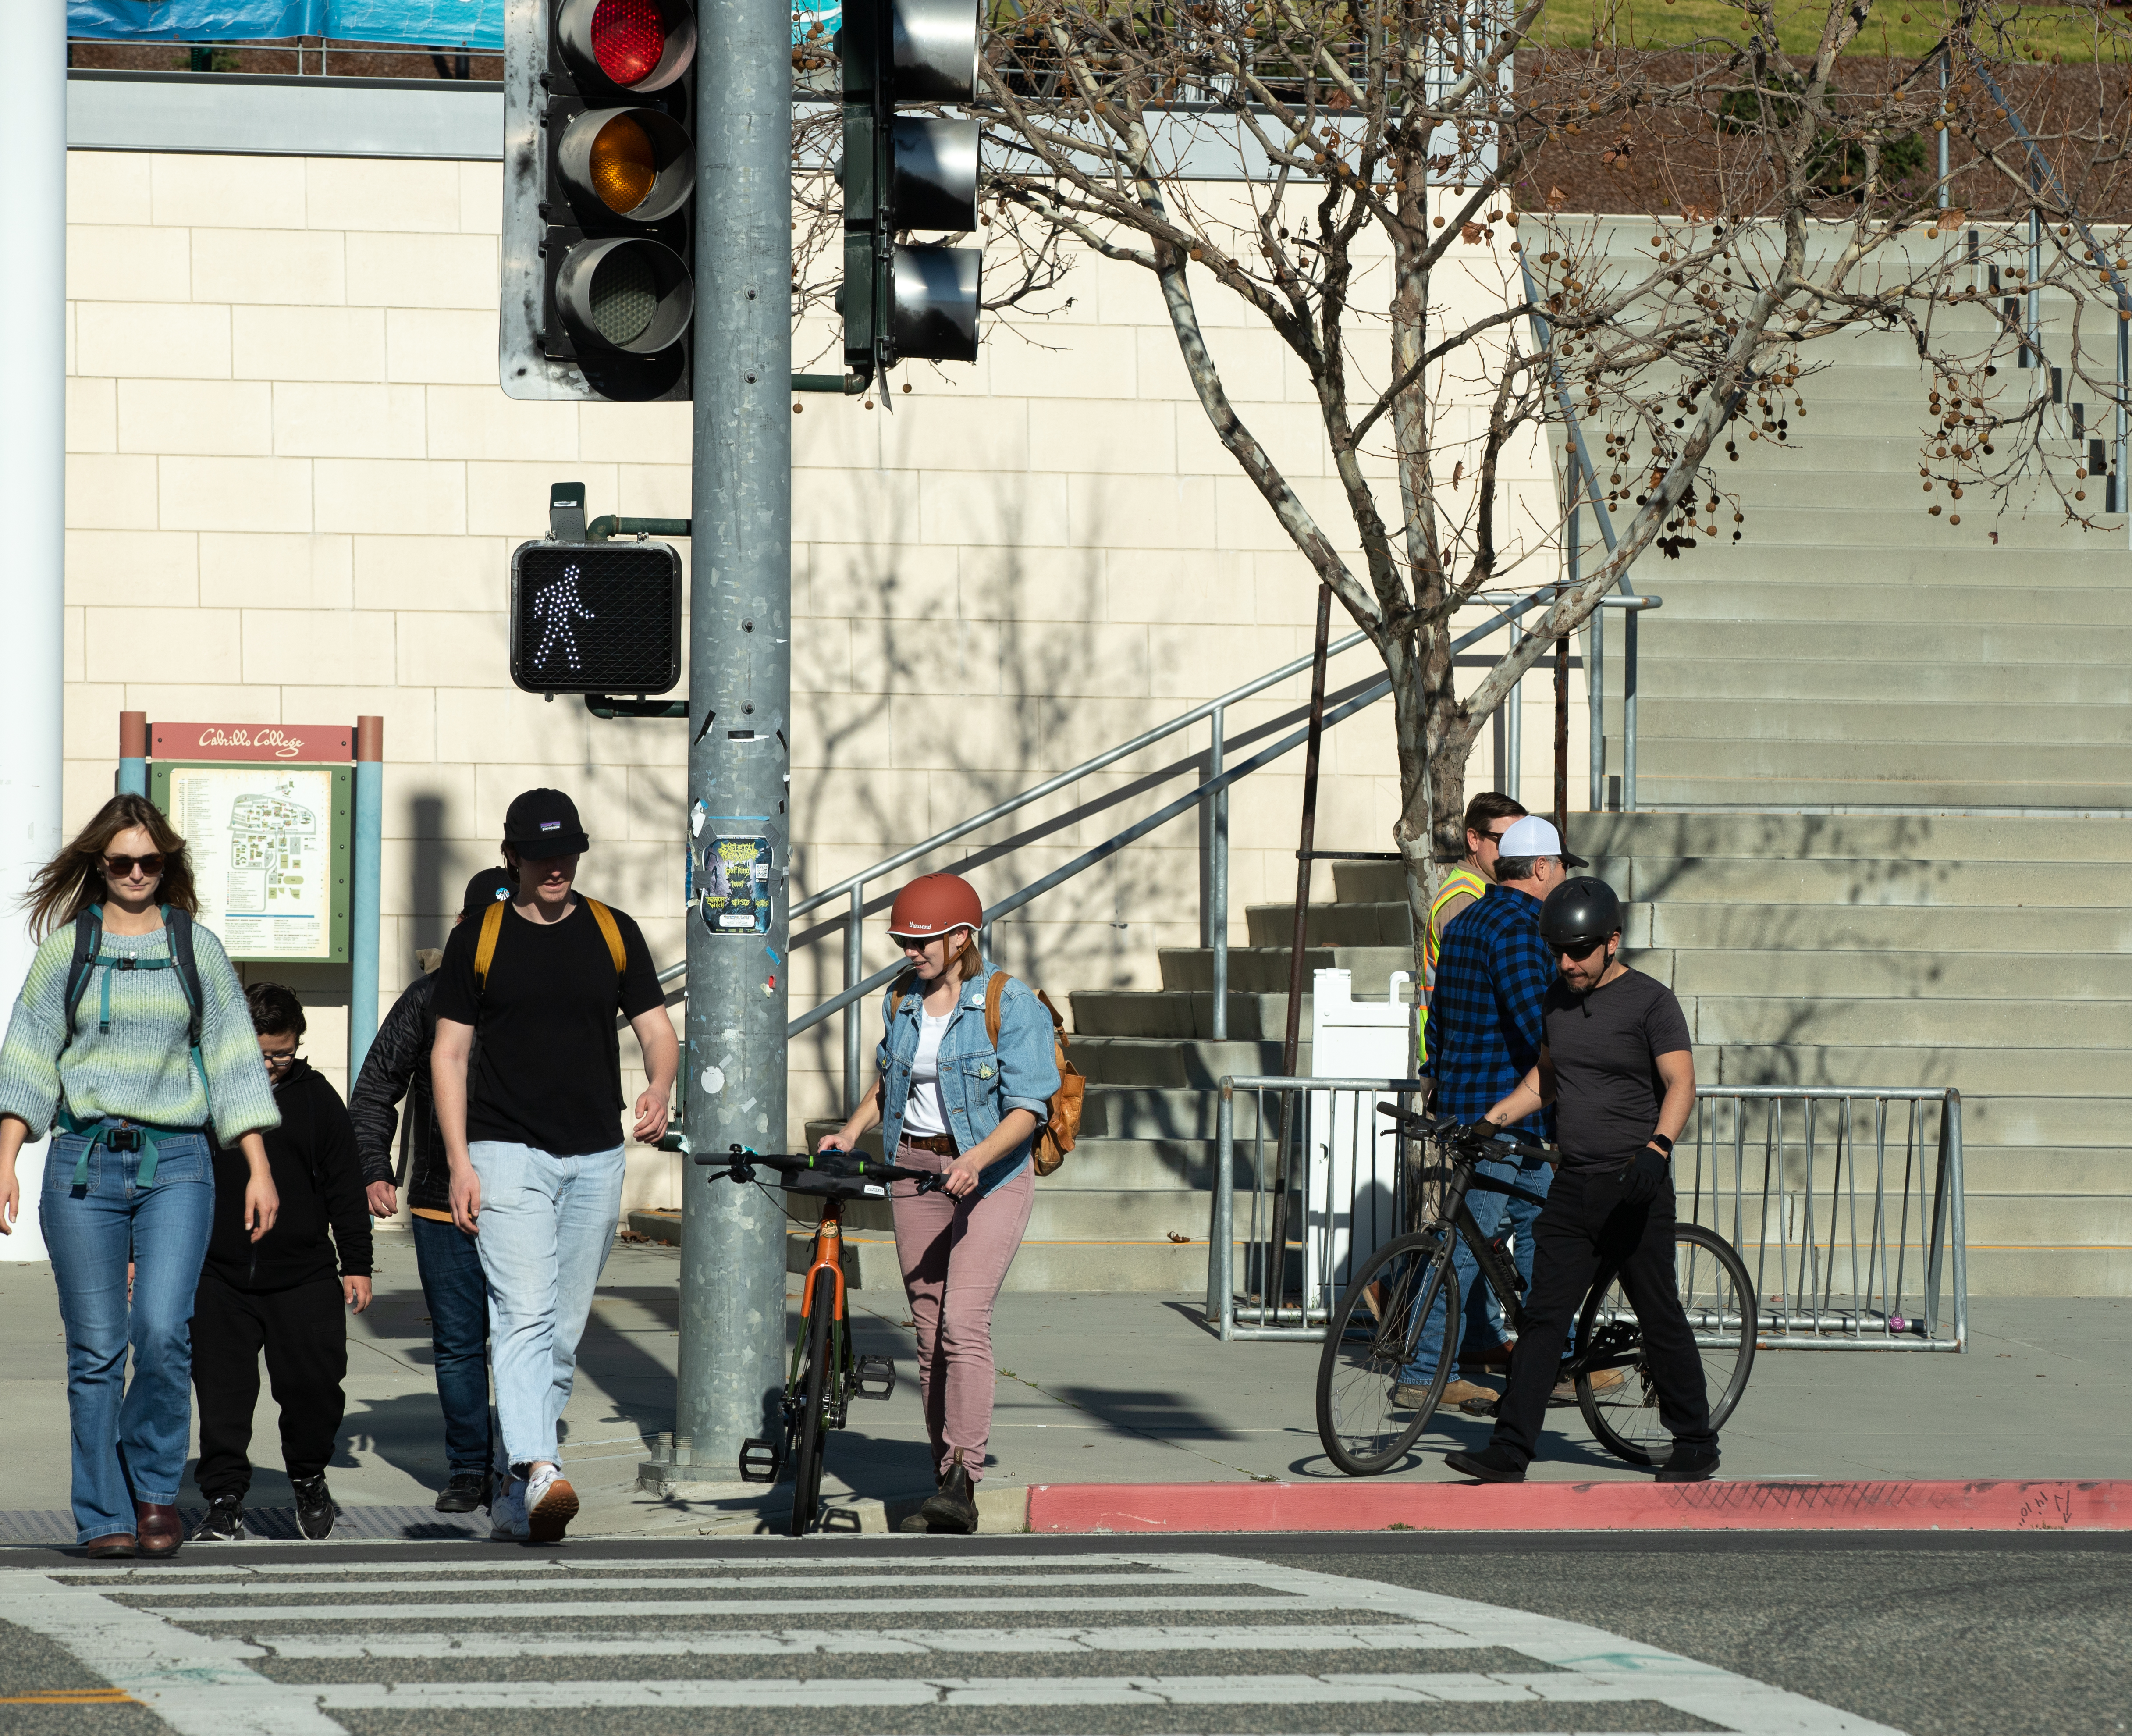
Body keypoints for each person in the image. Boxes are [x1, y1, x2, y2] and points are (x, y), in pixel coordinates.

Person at [0, 794, 280, 1559]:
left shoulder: (198, 947)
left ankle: (153, 1489)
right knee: (96, 1350)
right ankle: (104, 1514)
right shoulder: (69, 950)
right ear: (99, 865)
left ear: (168, 865)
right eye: (120, 861)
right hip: (83, 1166)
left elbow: (232, 1059)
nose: (134, 873)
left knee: (162, 1330)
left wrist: (257, 1167)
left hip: (180, 1163)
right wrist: (7, 1158)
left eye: (148, 861)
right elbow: (29, 1052)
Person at [431, 790, 677, 1543]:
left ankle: (517, 1493)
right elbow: (448, 1055)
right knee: (523, 1314)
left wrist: (660, 1086)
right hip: (505, 1152)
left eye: (567, 852)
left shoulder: (612, 931)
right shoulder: (479, 936)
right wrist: (458, 1162)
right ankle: (541, 1464)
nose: (556, 867)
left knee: (562, 1332)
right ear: (512, 859)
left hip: (595, 1157)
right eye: (541, 855)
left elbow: (657, 1030)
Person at [1445, 875, 1716, 1484]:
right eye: (1558, 952)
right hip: (1574, 1184)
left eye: (1579, 952)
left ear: (1612, 941)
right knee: (1543, 1320)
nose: (1567, 964)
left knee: (1657, 1314)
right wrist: (1489, 1124)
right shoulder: (1554, 1001)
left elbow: (1681, 1084)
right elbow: (1544, 1081)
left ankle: (1696, 1441)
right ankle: (1510, 1450)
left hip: (1634, 1185)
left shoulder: (1651, 1002)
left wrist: (1658, 1149)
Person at [817, 872, 1059, 1535]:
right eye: (903, 941)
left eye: (922, 942)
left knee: (963, 1322)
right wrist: (852, 1128)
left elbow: (1029, 1108)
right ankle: (941, 1478)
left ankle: (964, 1478)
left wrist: (975, 1162)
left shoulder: (1009, 1004)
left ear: (961, 939)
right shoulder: (902, 1001)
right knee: (927, 1333)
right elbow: (889, 1080)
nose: (910, 953)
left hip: (991, 1171)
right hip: (914, 1169)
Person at [1399, 814, 1581, 1412]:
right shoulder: (1524, 928)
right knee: (1463, 1246)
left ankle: (1557, 1358)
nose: (1561, 882)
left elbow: (1442, 1022)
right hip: (1506, 1115)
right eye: (1558, 869)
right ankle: (1426, 1372)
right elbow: (1539, 1025)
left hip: (1473, 1106)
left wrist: (1441, 1080)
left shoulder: (1469, 919)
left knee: (1540, 1233)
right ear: (1540, 869)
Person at [349, 867, 513, 1514]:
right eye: (483, 929)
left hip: (530, 1200)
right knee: (458, 1339)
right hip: (441, 1201)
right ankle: (470, 1466)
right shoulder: (427, 998)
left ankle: (525, 1458)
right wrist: (373, 1164)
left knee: (531, 1335)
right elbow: (374, 1090)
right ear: (461, 930)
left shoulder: (539, 1000)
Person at [191, 983, 371, 1542]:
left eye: (282, 1054)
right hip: (218, 1273)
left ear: (298, 1044)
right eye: (259, 1054)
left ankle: (309, 1475)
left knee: (315, 1388)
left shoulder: (318, 1100)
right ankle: (224, 1499)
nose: (270, 1066)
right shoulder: (204, 1093)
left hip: (304, 1274)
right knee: (223, 1396)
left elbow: (345, 1186)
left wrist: (357, 1263)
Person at [1417, 792, 1526, 1069]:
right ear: (1474, 839)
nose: (1515, 851)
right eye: (1504, 841)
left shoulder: (1481, 891)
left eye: (1521, 841)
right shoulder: (1467, 900)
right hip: (1458, 1058)